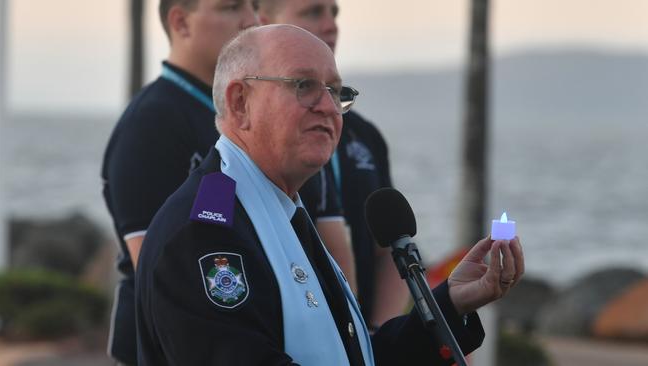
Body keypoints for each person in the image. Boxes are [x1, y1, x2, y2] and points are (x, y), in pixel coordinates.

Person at [136, 24, 525, 366]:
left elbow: (357, 358)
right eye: (302, 85)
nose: (328, 107)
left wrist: (451, 303)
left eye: (336, 91)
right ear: (240, 103)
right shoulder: (205, 232)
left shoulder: (282, 211)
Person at [101, 1, 257, 363]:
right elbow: (160, 267)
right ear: (181, 22)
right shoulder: (152, 123)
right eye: (231, 7)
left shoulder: (217, 114)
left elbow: (217, 227)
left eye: (253, 5)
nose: (251, 19)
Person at [255, 0, 407, 328]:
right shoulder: (253, 138)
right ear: (265, 22)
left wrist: (377, 339)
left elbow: (391, 252)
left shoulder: (365, 136)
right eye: (312, 12)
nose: (330, 24)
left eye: (334, 13)